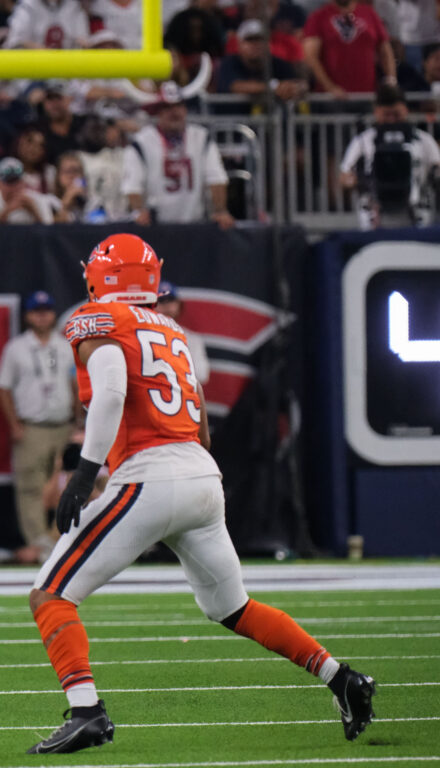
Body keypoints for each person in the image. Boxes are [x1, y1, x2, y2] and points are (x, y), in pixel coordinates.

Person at [26, 233, 376, 754]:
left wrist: (84, 472)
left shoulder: (99, 319)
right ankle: (340, 677)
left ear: (100, 277)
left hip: (149, 476)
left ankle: (86, 712)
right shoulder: (172, 330)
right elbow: (201, 423)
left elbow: (113, 392)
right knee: (233, 607)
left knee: (51, 594)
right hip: (200, 475)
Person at [0, 290, 77, 562]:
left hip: (63, 425)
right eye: (36, 311)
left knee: (68, 484)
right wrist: (14, 424)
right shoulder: (16, 348)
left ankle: (61, 540)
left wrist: (78, 421)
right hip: (32, 426)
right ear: (28, 316)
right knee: (31, 486)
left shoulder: (65, 346)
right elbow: (3, 387)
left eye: (47, 310)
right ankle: (38, 544)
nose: (42, 316)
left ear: (53, 314)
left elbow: (75, 384)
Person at [121, 83, 233, 228]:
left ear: (185, 109)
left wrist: (220, 211)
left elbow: (216, 177)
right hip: (155, 226)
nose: (174, 112)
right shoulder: (142, 142)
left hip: (194, 224)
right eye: (167, 107)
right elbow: (132, 185)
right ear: (158, 112)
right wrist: (138, 211)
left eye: (179, 106)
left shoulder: (201, 137)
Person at [338, 84, 440, 229]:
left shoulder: (423, 140)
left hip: (416, 211)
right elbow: (344, 175)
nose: (392, 120)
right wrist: (355, 181)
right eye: (387, 115)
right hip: (374, 213)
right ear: (376, 112)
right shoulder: (363, 141)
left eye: (396, 114)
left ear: (405, 110)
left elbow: (437, 167)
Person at [154, 280, 209, 384]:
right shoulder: (142, 334)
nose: (166, 306)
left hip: (182, 392)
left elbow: (202, 375)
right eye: (161, 301)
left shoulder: (192, 339)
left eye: (170, 300)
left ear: (179, 304)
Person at [0, 157, 56, 224]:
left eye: (18, 181)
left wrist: (35, 212)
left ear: (24, 183)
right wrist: (5, 213)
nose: (14, 187)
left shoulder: (38, 200)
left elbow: (50, 234)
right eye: (9, 182)